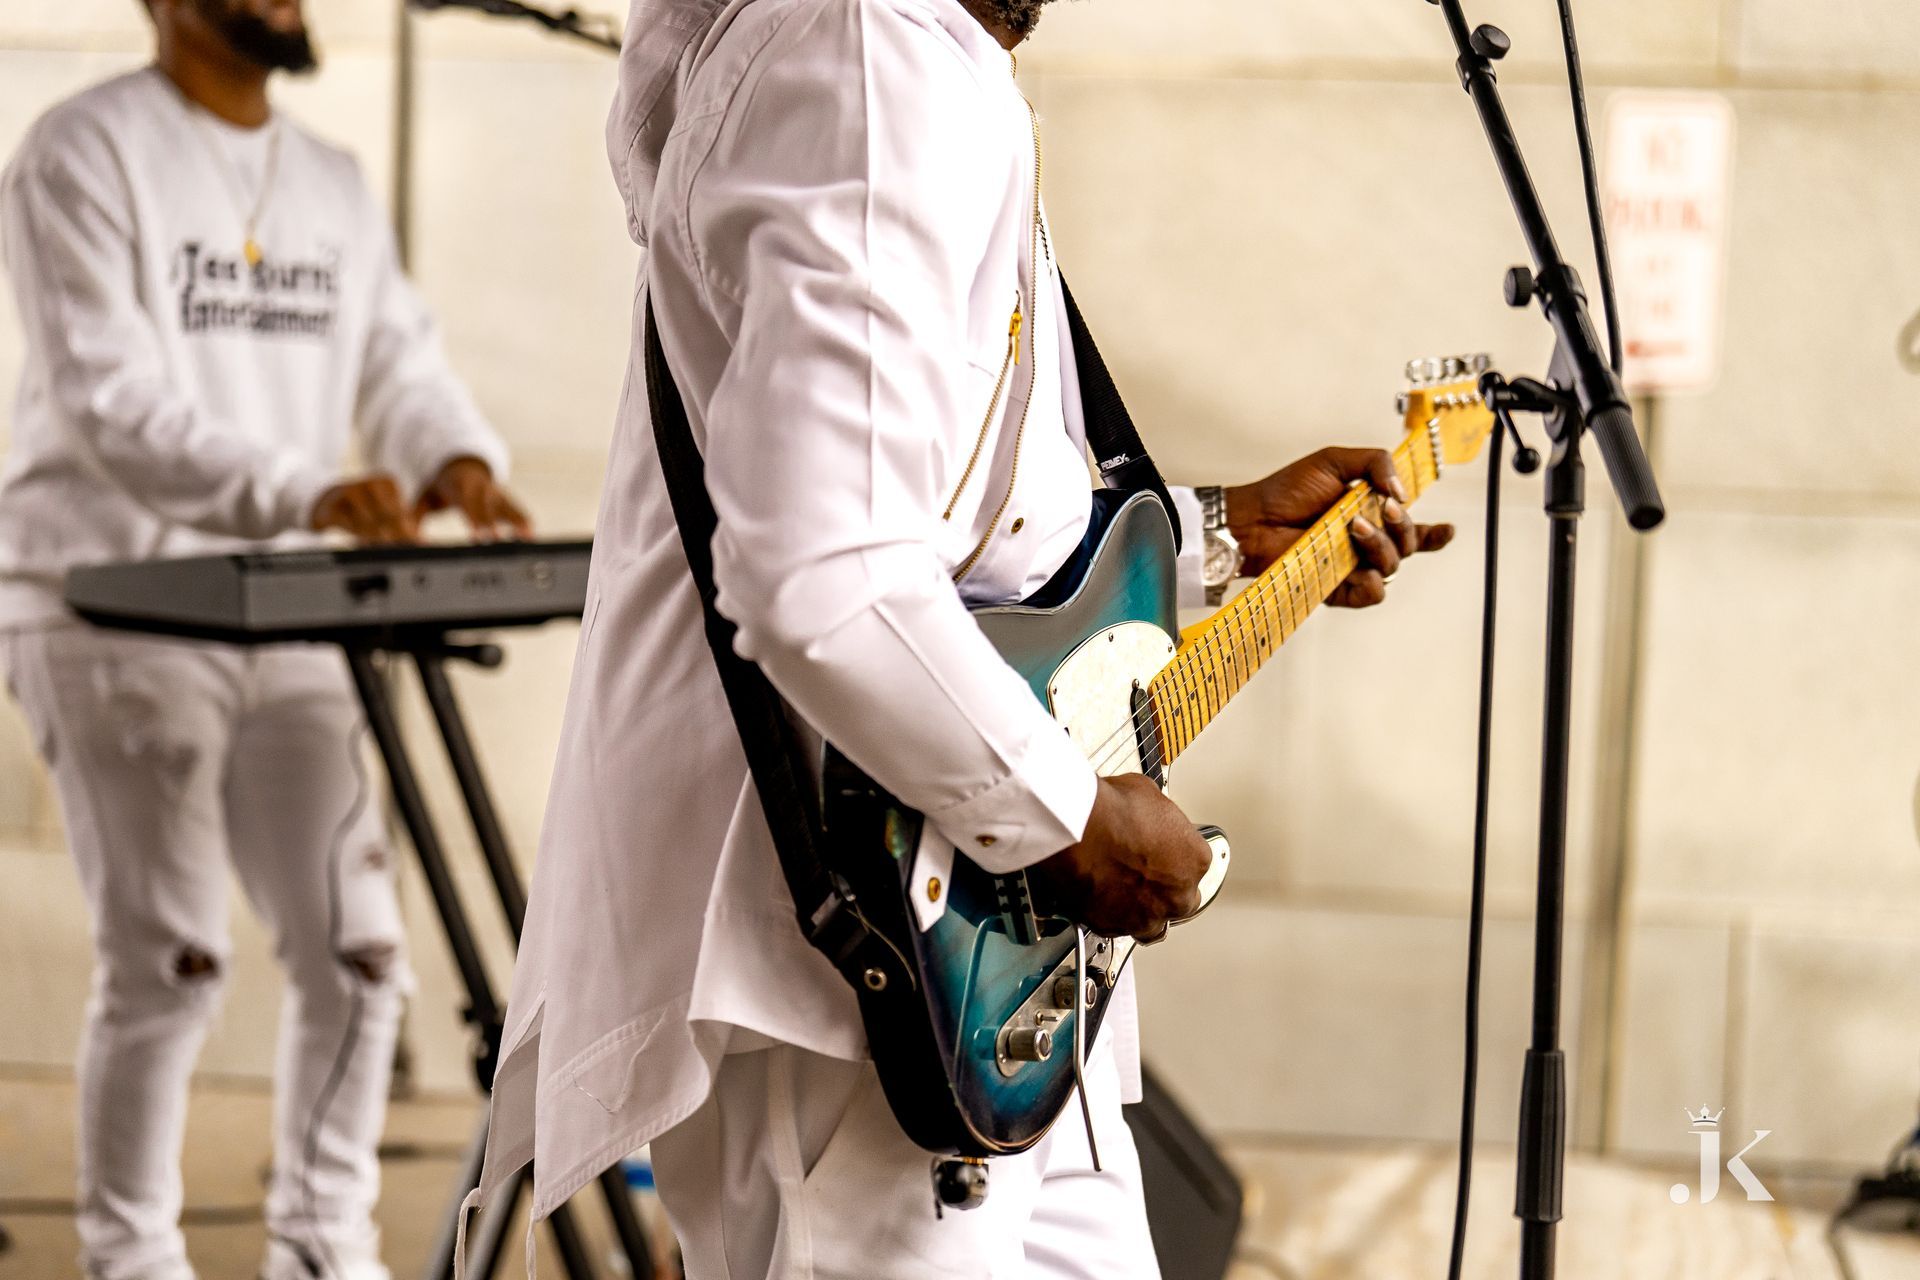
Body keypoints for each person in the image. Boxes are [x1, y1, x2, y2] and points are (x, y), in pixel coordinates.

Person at [476, 0, 1453, 1275]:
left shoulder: (919, 58)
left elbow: (960, 519)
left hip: (983, 961)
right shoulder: (868, 54)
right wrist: (1070, 819)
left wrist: (1214, 537)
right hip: (879, 962)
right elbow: (828, 577)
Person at [0, 2, 529, 1277]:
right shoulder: (78, 151)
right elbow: (112, 400)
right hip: (109, 602)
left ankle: (325, 1250)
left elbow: (398, 361)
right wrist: (301, 489)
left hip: (287, 605)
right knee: (172, 960)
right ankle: (131, 1258)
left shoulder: (334, 183)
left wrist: (452, 456)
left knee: (361, 955)